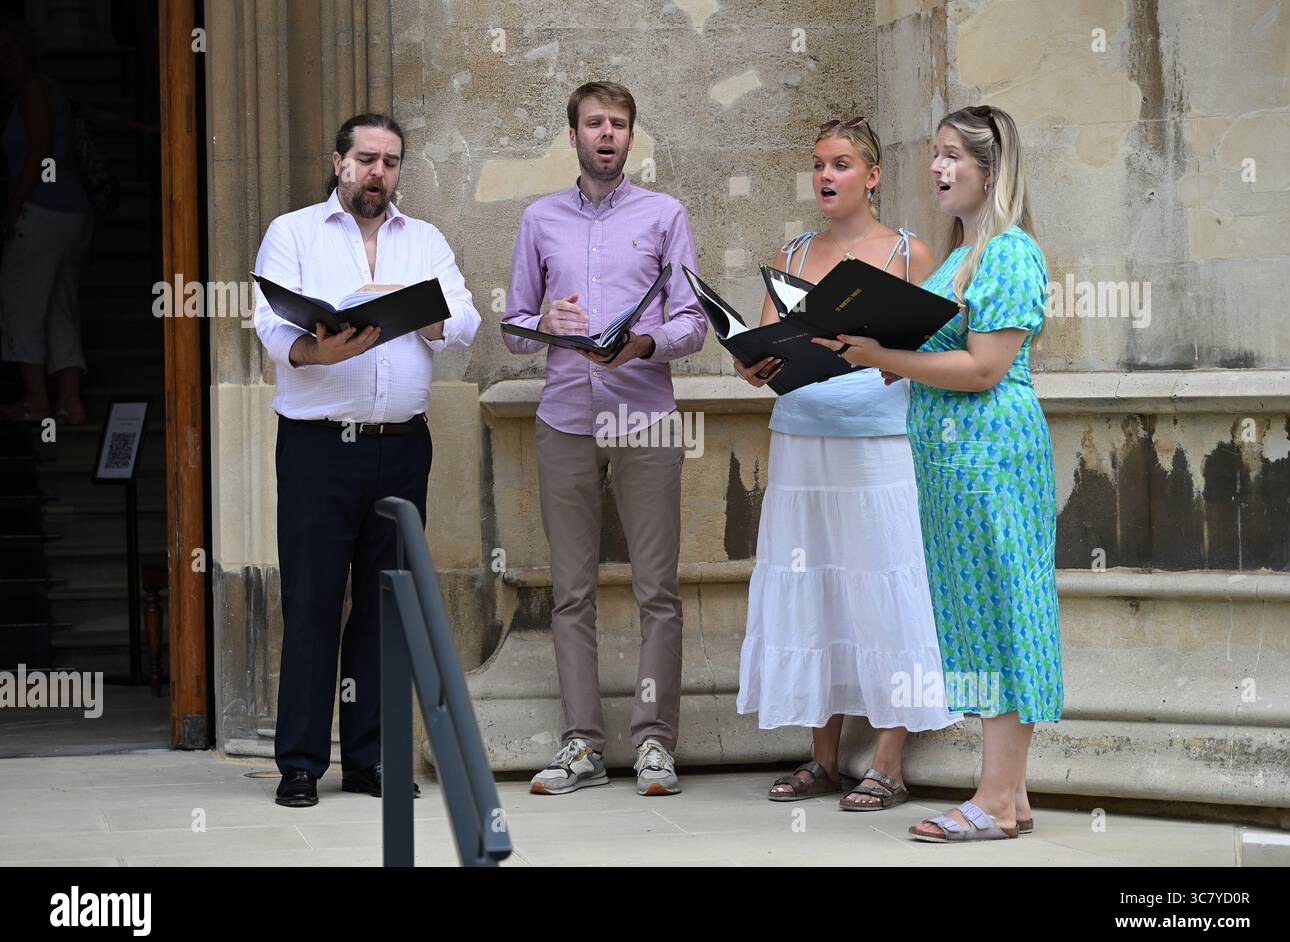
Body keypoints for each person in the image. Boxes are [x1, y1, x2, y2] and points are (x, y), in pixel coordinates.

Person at [814, 105, 1060, 841]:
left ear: (991, 169)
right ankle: (1007, 798)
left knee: (1007, 614)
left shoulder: (1011, 253)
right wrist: (886, 355)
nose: (938, 168)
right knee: (973, 619)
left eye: (953, 156)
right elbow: (939, 351)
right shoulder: (957, 257)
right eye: (935, 155)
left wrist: (882, 359)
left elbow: (985, 368)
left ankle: (991, 797)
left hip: (994, 459)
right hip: (950, 461)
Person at [252, 113, 482, 808]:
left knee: (387, 607)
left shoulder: (427, 241)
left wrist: (405, 310)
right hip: (320, 448)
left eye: (390, 161)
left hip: (402, 447)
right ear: (339, 162)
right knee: (314, 602)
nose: (378, 171)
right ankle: (298, 762)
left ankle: (369, 759)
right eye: (366, 159)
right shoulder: (292, 233)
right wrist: (321, 350)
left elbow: (467, 321)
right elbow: (270, 327)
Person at [733, 117, 960, 810]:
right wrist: (752, 362)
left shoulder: (908, 253)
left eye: (839, 164)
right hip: (802, 438)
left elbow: (943, 341)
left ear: (872, 174)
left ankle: (887, 760)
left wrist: (901, 363)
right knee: (814, 590)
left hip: (877, 446)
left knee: (882, 587)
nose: (825, 177)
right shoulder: (794, 249)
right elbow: (764, 334)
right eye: (817, 165)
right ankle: (822, 759)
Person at [502, 81, 707, 796]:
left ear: (632, 135)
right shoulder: (539, 219)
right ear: (574, 136)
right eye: (595, 123)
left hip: (643, 415)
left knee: (657, 589)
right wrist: (545, 325)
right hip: (564, 416)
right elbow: (513, 326)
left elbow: (693, 320)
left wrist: (643, 345)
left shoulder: (664, 215)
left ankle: (654, 743)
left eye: (619, 123)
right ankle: (582, 744)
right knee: (570, 591)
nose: (607, 134)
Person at [0, 18, 93, 424]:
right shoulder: (51, 89)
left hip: (42, 212)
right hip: (72, 214)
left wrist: (12, 206)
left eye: (11, 48)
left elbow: (38, 151)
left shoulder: (35, 89)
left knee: (21, 302)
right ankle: (69, 403)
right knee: (59, 306)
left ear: (27, 51)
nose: (5, 58)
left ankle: (35, 400)